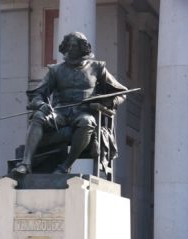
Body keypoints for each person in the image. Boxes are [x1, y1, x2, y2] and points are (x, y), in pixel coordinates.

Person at [14, 31, 127, 175]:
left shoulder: (97, 67)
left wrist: (108, 103)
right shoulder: (56, 70)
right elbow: (37, 94)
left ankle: (65, 166)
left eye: (75, 46)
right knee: (38, 116)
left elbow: (121, 93)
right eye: (69, 45)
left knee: (87, 122)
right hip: (60, 114)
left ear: (83, 48)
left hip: (84, 113)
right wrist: (41, 104)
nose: (71, 48)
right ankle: (26, 164)